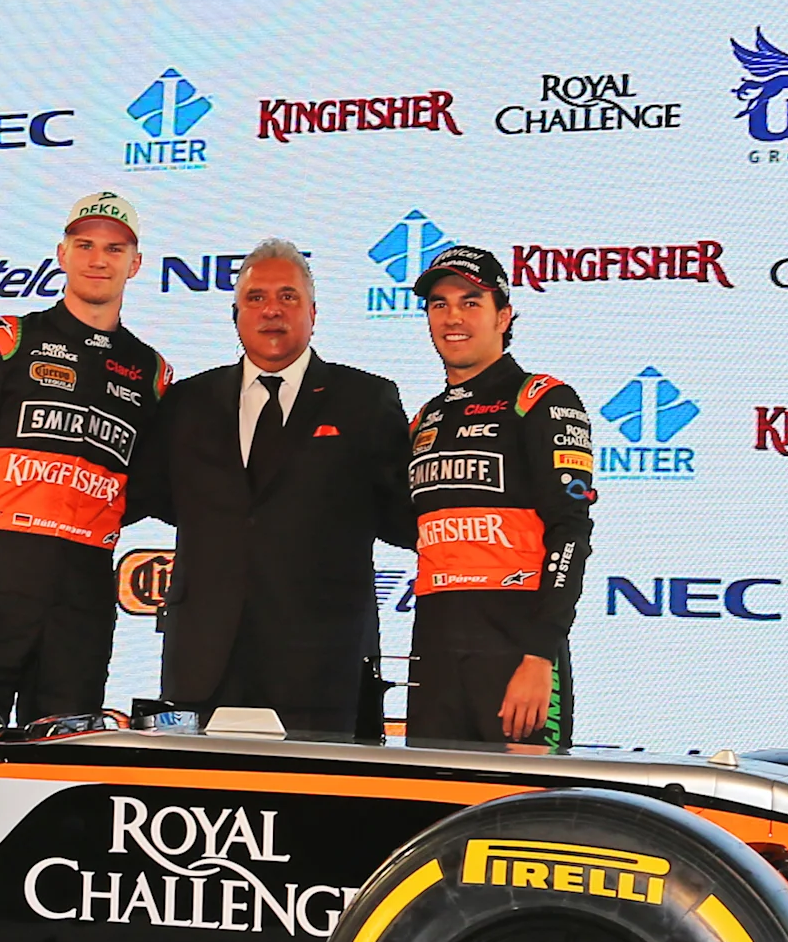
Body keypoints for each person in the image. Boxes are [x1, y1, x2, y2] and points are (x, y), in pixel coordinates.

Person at [0, 190, 172, 720]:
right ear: (62, 253)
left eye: (115, 249)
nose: (99, 259)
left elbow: (150, 485)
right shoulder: (7, 338)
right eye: (85, 244)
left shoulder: (151, 371)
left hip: (85, 593)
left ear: (136, 264)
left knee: (59, 758)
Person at [134, 239, 412, 737]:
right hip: (203, 660)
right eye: (257, 298)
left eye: (288, 297)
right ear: (235, 313)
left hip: (323, 667)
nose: (272, 311)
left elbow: (402, 515)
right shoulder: (186, 403)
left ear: (314, 313)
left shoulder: (366, 401)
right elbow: (153, 496)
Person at [401, 245, 595, 752]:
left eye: (470, 302)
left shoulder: (542, 399)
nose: (452, 318)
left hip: (516, 651)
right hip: (436, 654)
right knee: (434, 813)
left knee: (523, 817)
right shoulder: (426, 418)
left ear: (503, 316)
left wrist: (539, 656)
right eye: (438, 305)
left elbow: (571, 531)